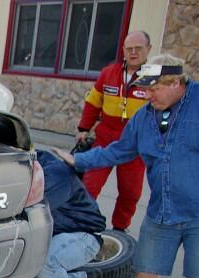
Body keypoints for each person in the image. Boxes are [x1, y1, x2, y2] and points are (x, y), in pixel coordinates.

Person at [55, 54, 199, 278]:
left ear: (176, 83)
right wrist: (78, 161)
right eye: (144, 90)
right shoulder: (144, 117)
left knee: (198, 276)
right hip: (161, 209)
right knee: (147, 266)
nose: (146, 96)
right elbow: (120, 151)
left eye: (153, 90)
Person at [76, 31, 152, 231]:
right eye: (129, 49)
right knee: (89, 186)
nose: (133, 52)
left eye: (138, 48)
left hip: (135, 146)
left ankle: (120, 229)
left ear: (148, 49)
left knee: (130, 193)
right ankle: (82, 225)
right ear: (123, 51)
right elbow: (93, 103)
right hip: (105, 140)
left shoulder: (155, 78)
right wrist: (83, 128)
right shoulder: (109, 73)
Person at [21, 150, 107, 278]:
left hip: (84, 236)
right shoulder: (27, 168)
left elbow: (31, 213)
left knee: (45, 261)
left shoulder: (54, 175)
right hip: (59, 235)